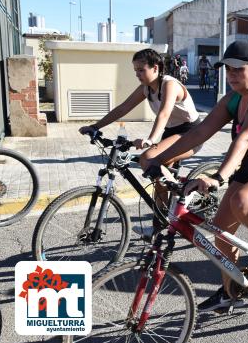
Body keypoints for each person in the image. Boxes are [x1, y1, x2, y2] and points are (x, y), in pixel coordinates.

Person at [146, 40, 248, 311]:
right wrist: (157, 159)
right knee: (221, 233)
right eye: (228, 69)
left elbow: (246, 138)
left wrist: (219, 176)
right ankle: (230, 291)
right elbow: (199, 133)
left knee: (244, 202)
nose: (232, 75)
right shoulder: (234, 98)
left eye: (238, 69)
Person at [78, 48, 201, 235]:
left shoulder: (170, 84)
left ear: (156, 68)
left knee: (149, 158)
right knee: (158, 177)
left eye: (141, 70)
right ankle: (161, 225)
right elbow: (123, 108)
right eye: (135, 70)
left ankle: (178, 200)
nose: (137, 74)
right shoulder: (147, 88)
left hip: (191, 133)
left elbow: (164, 113)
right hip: (171, 132)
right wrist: (96, 126)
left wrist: (151, 140)